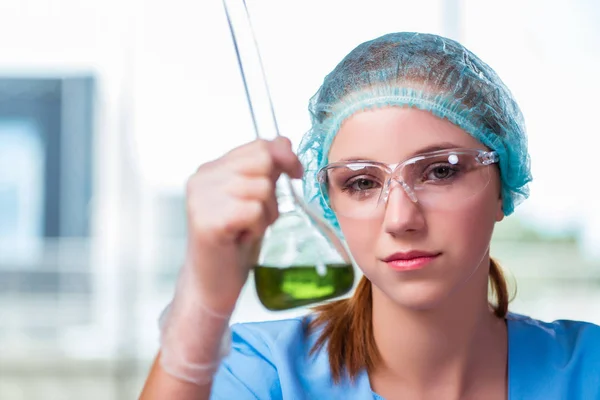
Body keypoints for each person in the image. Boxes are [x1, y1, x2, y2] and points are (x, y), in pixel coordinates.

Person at [140, 32, 600, 399]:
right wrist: (202, 303)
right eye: (361, 182)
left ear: (503, 185)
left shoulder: (588, 370)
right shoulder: (262, 372)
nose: (401, 219)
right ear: (328, 201)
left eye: (440, 171)